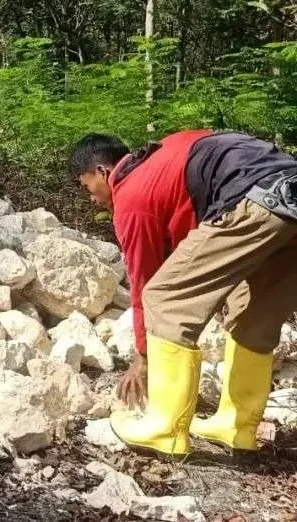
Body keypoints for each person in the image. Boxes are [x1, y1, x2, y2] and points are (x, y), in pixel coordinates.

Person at [70, 130, 297, 456]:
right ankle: (238, 428)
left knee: (165, 298)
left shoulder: (132, 196)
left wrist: (143, 356)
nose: (90, 196)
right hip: (287, 195)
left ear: (103, 172)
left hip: (256, 195)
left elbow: (145, 282)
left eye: (86, 185)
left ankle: (164, 431)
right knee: (253, 312)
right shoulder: (161, 161)